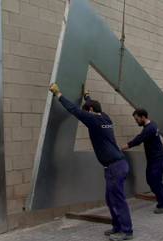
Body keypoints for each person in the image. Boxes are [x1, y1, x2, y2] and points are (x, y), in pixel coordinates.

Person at [49, 83, 133, 241]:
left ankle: (127, 231)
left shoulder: (93, 119)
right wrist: (87, 96)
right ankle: (117, 227)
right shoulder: (105, 117)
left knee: (118, 200)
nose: (87, 114)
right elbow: (93, 105)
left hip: (115, 167)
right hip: (116, 165)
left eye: (88, 111)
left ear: (91, 112)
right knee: (111, 199)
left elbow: (74, 110)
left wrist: (58, 94)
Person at [120, 108, 163, 214]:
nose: (136, 121)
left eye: (137, 119)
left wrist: (121, 148)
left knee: (156, 182)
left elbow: (137, 140)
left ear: (143, 117)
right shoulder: (152, 124)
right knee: (150, 181)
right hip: (153, 160)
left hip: (157, 159)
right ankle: (162, 201)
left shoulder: (149, 129)